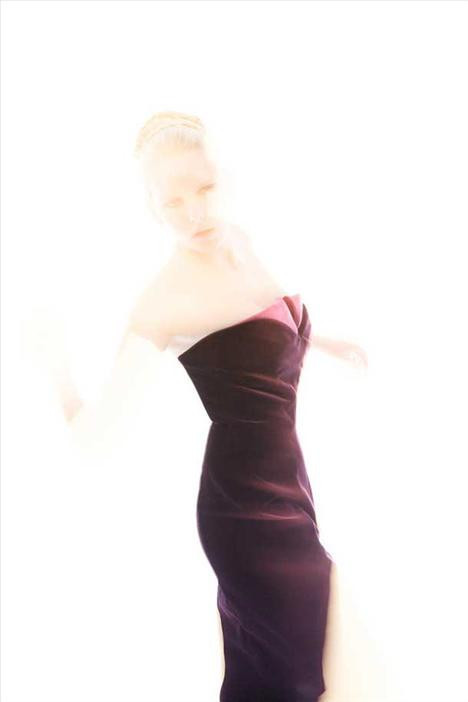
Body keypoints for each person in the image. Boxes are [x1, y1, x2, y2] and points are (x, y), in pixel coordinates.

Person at [39, 111, 368, 701]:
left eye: (206, 187)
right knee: (291, 678)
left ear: (227, 175)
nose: (195, 212)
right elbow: (95, 437)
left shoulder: (240, 240)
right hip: (245, 514)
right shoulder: (164, 300)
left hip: (291, 488)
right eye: (173, 201)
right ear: (151, 209)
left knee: (300, 666)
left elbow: (261, 320)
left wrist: (323, 340)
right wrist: (55, 365)